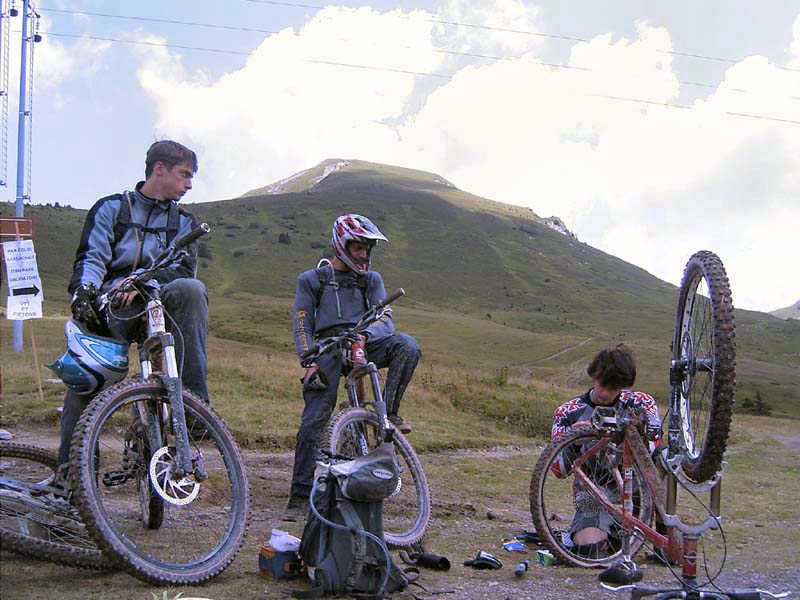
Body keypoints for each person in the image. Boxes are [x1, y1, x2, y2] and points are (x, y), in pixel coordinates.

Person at [54, 140, 209, 469]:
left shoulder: (184, 222)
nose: (190, 184)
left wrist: (140, 281)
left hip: (159, 303)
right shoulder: (111, 208)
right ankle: (71, 479)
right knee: (83, 385)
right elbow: (92, 257)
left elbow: (182, 269)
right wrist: (84, 293)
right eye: (184, 174)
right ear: (159, 168)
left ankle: (194, 405)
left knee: (191, 290)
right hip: (113, 305)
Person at [285, 214, 422, 521]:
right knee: (314, 417)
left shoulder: (371, 280)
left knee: (408, 346)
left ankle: (387, 415)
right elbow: (302, 321)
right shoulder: (312, 279)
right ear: (341, 244)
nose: (363, 254)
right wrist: (308, 360)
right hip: (328, 347)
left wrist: (364, 336)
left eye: (366, 248)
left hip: (364, 339)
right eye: (357, 247)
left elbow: (385, 319)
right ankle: (298, 495)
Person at [550, 344, 661, 556]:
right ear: (594, 376)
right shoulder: (568, 412)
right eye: (603, 384)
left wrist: (641, 434)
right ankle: (613, 537)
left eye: (614, 387)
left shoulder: (641, 403)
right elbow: (558, 470)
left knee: (666, 459)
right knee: (588, 548)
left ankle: (663, 543)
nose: (605, 393)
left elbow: (657, 457)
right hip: (594, 494)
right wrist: (573, 442)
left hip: (636, 492)